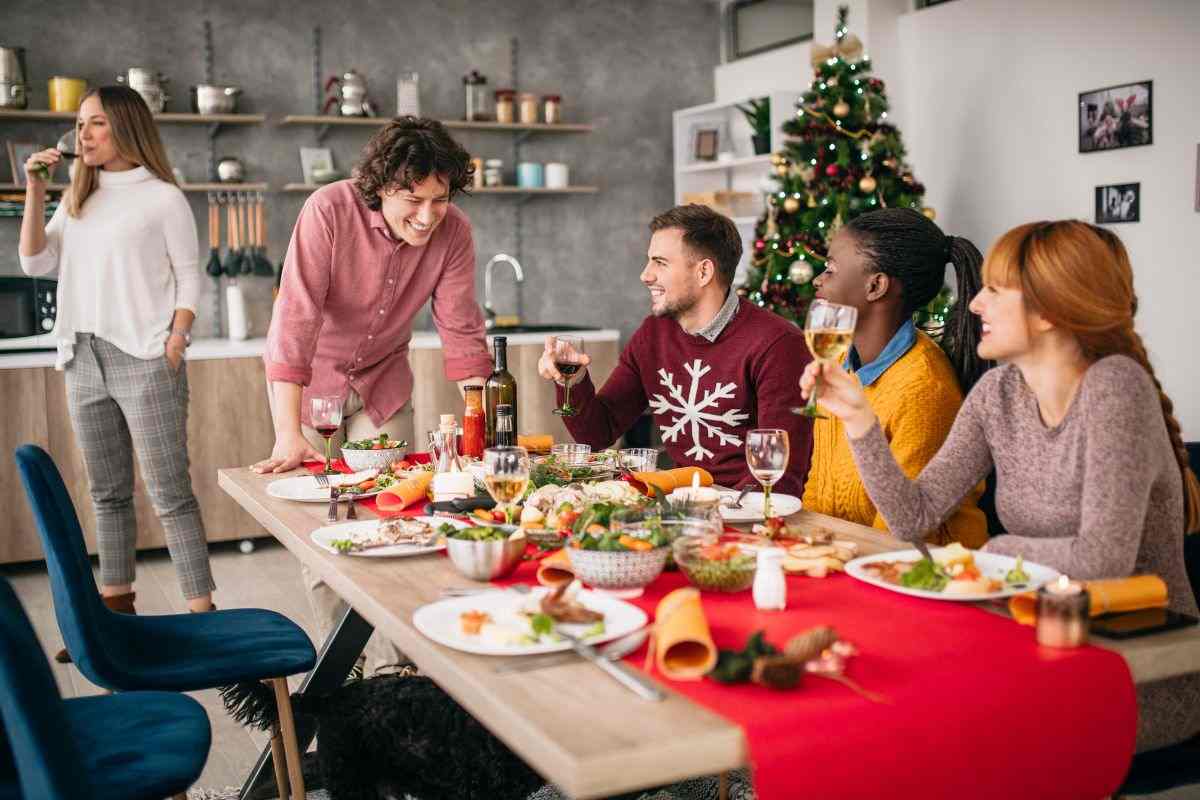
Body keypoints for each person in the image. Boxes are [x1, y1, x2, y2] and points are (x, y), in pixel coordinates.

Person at [800, 220, 1200, 751]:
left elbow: (1105, 557)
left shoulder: (1115, 390)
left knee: (928, 728)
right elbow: (913, 517)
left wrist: (995, 554)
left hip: (1131, 666)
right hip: (1036, 637)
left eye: (994, 290)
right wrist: (859, 423)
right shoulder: (999, 393)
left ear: (1049, 310)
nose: (973, 305)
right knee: (879, 705)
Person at [254, 116, 492, 669]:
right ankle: (346, 676)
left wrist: (479, 429)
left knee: (392, 519)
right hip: (313, 390)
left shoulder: (454, 231)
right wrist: (288, 434)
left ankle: (400, 672)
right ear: (381, 185)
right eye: (413, 198)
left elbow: (460, 327)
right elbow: (296, 318)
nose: (429, 215)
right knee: (327, 529)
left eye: (440, 199)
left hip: (384, 385)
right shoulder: (329, 210)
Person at [18, 86, 214, 654]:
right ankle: (116, 612)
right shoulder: (78, 196)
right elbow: (36, 261)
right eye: (81, 125)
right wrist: (35, 187)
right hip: (83, 356)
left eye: (96, 124)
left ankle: (203, 614)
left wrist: (176, 340)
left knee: (169, 492)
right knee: (106, 494)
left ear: (125, 128)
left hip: (146, 358)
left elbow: (189, 276)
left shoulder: (162, 198)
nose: (84, 135)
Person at [538, 204, 812, 494]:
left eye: (660, 262)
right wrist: (574, 380)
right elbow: (597, 433)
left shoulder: (779, 345)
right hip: (682, 507)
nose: (645, 275)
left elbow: (780, 476)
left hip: (747, 517)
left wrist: (717, 513)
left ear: (704, 271)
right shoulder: (653, 334)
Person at [801, 208, 988, 546]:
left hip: (926, 570)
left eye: (830, 268)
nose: (818, 279)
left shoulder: (922, 387)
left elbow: (902, 536)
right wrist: (807, 546)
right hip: (851, 554)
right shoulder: (841, 364)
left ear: (876, 286)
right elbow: (818, 485)